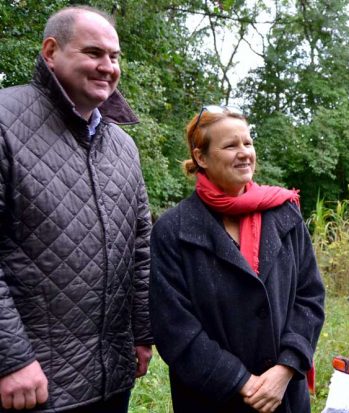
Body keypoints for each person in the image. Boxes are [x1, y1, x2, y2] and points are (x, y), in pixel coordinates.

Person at [0, 6, 153, 412]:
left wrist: (142, 334)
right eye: (93, 53)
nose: (108, 66)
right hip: (30, 384)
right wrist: (10, 359)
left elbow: (139, 247)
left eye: (115, 57)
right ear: (51, 51)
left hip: (111, 377)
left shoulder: (123, 146)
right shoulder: (4, 121)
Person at [149, 105, 325, 413]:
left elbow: (309, 297)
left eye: (248, 142)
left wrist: (285, 369)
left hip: (283, 398)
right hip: (212, 399)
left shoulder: (285, 214)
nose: (244, 152)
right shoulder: (173, 230)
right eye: (230, 145)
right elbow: (174, 327)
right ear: (201, 157)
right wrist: (240, 381)